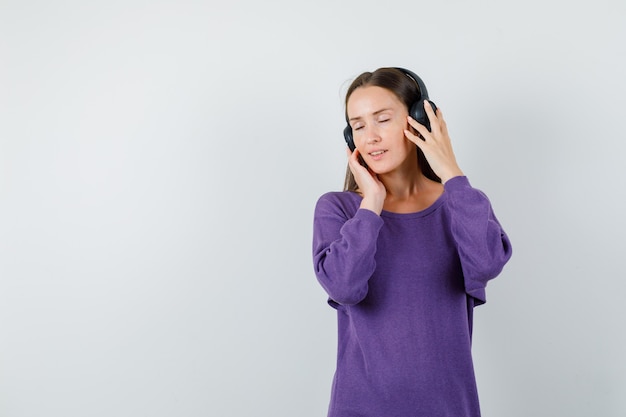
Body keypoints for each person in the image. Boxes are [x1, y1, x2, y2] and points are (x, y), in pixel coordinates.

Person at [311, 67, 513, 417]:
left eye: (382, 119)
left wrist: (451, 171)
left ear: (419, 120)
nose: (370, 136)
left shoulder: (461, 204)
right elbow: (344, 286)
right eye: (358, 126)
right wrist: (371, 203)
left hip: (450, 408)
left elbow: (487, 263)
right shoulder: (340, 209)